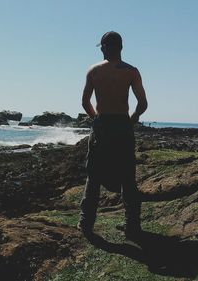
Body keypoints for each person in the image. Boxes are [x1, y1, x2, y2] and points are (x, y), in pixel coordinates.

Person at [78, 31, 148, 245]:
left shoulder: (94, 71)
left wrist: (96, 119)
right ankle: (132, 226)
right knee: (128, 177)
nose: (100, 49)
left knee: (94, 175)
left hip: (102, 125)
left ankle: (86, 223)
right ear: (121, 47)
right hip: (122, 125)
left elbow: (84, 102)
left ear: (105, 47)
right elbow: (143, 103)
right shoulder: (131, 71)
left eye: (102, 46)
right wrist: (132, 119)